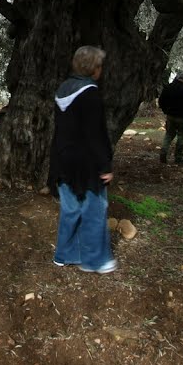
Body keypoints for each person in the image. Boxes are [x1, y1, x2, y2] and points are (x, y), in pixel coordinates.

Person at [47, 45, 117, 274]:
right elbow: (95, 134)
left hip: (63, 160)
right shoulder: (90, 92)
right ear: (94, 68)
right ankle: (96, 261)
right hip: (87, 164)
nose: (101, 70)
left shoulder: (63, 89)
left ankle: (64, 254)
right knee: (95, 210)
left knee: (71, 209)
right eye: (100, 66)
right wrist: (105, 165)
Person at [157, 72, 183, 164]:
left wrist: (166, 111)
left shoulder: (168, 88)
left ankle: (163, 152)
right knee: (182, 137)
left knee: (169, 135)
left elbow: (161, 101)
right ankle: (178, 158)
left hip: (170, 116)